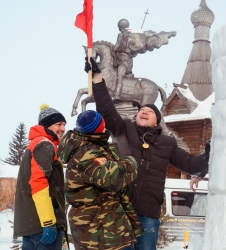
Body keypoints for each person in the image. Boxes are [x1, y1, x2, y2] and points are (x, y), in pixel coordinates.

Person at [85, 57, 209, 250]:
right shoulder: (124, 129)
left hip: (148, 213)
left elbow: (192, 165)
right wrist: (98, 79)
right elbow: (106, 111)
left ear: (156, 121)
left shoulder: (167, 143)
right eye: (141, 110)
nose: (143, 112)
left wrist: (211, 150)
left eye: (148, 111)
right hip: (121, 209)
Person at [57, 110, 144, 250]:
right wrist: (130, 161)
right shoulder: (87, 153)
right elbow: (111, 178)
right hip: (102, 232)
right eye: (102, 125)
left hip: (102, 227)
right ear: (97, 128)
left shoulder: (88, 147)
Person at [13, 104, 67, 250]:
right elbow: (39, 184)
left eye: (64, 124)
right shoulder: (45, 145)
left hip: (33, 224)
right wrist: (48, 222)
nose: (63, 128)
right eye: (58, 124)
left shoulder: (35, 144)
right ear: (47, 125)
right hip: (42, 226)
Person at [113, 18, 133, 100]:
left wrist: (113, 49)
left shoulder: (121, 35)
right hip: (129, 61)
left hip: (122, 60)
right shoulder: (131, 35)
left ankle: (117, 94)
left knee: (119, 76)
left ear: (121, 26)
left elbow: (117, 46)